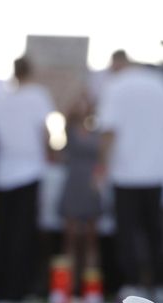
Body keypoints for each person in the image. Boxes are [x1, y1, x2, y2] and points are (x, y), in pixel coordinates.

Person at [94, 50, 163, 302]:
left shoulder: (115, 86)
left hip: (125, 172)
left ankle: (131, 284)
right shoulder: (160, 83)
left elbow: (109, 131)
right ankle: (161, 284)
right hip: (157, 170)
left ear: (118, 62)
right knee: (155, 232)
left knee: (127, 233)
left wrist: (101, 167)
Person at [0, 56, 54, 301]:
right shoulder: (38, 95)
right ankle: (19, 289)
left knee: (2, 234)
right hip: (28, 172)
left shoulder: (0, 98)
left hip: (2, 173)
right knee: (23, 235)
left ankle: (0, 288)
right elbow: (45, 132)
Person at [57, 96, 103, 284]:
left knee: (92, 239)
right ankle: (69, 283)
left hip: (90, 184)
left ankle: (91, 283)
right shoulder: (70, 129)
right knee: (70, 238)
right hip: (74, 182)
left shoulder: (97, 132)